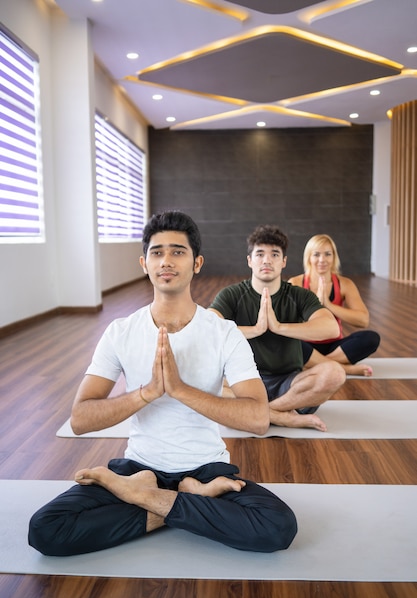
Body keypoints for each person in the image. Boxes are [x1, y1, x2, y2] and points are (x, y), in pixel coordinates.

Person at [28, 211, 297, 557]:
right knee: (46, 529)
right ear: (144, 263)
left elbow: (258, 419)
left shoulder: (224, 333)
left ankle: (147, 497)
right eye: (157, 252)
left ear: (197, 263)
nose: (166, 261)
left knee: (278, 526)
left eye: (178, 252)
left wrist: (181, 390)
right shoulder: (121, 332)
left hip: (206, 469)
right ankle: (185, 501)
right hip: (139, 467)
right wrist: (147, 393)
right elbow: (80, 419)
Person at [209, 225, 346, 432]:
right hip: (244, 383)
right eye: (260, 254)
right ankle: (282, 417)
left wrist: (279, 327)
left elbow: (331, 328)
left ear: (283, 262)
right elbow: (207, 330)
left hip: (290, 387)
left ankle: (263, 412)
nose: (266, 260)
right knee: (201, 378)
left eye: (274, 254)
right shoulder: (232, 294)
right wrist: (255, 329)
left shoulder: (299, 295)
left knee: (334, 373)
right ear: (250, 261)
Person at [288, 234, 380, 377]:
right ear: (309, 258)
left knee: (371, 338)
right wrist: (314, 307)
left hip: (334, 347)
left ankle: (313, 366)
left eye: (327, 254)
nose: (322, 260)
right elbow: (287, 321)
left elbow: (363, 320)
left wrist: (329, 305)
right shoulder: (295, 283)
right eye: (316, 254)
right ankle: (344, 368)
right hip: (305, 346)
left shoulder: (345, 284)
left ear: (334, 257)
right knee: (286, 341)